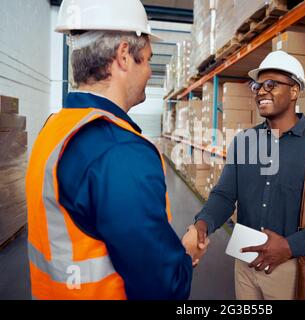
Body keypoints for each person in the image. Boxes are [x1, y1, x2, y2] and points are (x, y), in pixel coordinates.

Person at [26, 0, 204, 300]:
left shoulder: (55, 128)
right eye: (146, 59)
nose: (149, 71)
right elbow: (162, 288)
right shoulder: (119, 151)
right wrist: (185, 254)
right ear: (123, 56)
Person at [187, 50, 305, 300]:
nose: (260, 91)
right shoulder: (245, 142)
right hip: (244, 263)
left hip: (291, 268)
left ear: (294, 91)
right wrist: (201, 225)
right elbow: (225, 195)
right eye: (257, 85)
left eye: (271, 84)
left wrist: (291, 246)